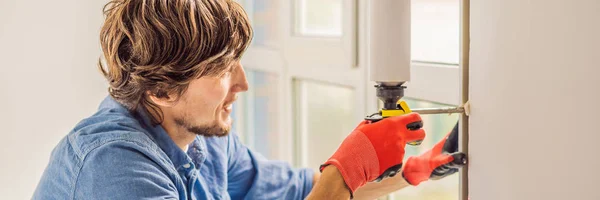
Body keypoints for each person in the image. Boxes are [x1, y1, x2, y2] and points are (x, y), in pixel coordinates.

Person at [33, 0, 466, 199]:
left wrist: (411, 171)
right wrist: (345, 168)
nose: (241, 83)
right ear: (162, 90)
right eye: (222, 70)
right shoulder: (113, 169)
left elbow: (306, 193)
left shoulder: (202, 139)